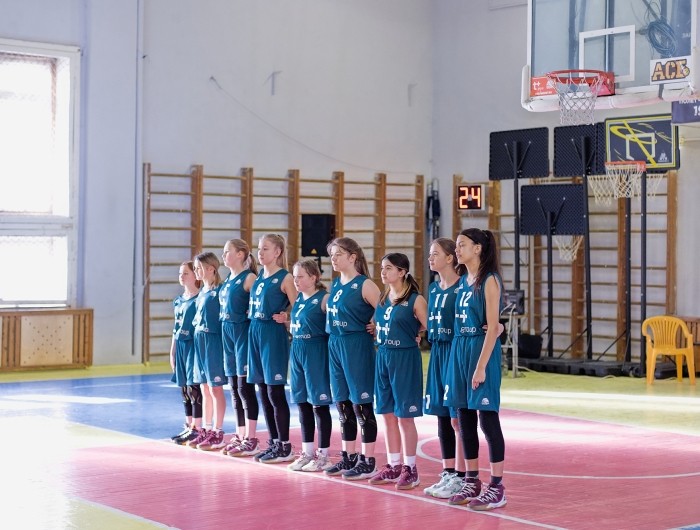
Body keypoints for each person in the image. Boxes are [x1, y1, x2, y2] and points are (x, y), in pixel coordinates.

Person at [445, 228, 508, 511]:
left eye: (462, 245)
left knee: (487, 420)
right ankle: (472, 480)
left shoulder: (489, 280)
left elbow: (493, 328)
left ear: (478, 248)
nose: (457, 249)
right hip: (460, 349)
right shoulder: (462, 281)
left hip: (481, 352)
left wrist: (481, 367)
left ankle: (497, 487)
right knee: (464, 419)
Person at [323, 237, 381, 481]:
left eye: (338, 254)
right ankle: (349, 455)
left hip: (356, 345)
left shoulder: (365, 284)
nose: (333, 259)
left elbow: (385, 309)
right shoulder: (337, 284)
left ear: (352, 257)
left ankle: (368, 461)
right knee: (342, 404)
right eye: (332, 255)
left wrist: (376, 324)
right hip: (335, 343)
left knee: (361, 404)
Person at [368, 253, 427, 490]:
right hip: (383, 356)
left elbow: (429, 325)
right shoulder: (383, 298)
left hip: (404, 358)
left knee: (405, 417)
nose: (383, 272)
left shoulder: (415, 299)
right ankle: (393, 465)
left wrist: (416, 332)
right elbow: (382, 323)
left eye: (389, 268)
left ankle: (410, 468)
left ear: (402, 272)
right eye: (382, 268)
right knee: (388, 414)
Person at [275, 259, 334, 472]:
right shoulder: (299, 299)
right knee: (302, 403)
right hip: (297, 350)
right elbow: (300, 325)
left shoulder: (324, 299)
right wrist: (286, 321)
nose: (296, 280)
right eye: (294, 276)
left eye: (300, 276)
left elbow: (335, 324)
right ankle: (307, 452)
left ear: (313, 277)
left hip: (315, 351)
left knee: (319, 404)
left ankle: (323, 455)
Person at [422, 238, 469, 498]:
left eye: (435, 254)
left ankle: (462, 476)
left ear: (450, 258)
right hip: (438, 352)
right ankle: (448, 472)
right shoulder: (433, 288)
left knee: (456, 417)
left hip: (455, 351)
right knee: (441, 414)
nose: (430, 258)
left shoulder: (463, 287)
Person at [246, 234, 297, 464]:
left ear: (277, 252)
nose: (260, 252)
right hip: (255, 331)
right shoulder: (259, 277)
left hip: (272, 334)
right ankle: (274, 442)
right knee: (263, 390)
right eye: (259, 248)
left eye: (265, 248)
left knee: (275, 391)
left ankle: (285, 445)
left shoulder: (285, 278)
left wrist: (287, 318)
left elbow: (300, 306)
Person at [218, 239, 260, 456]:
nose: (223, 255)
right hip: (227, 335)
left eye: (227, 251)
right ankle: (240, 434)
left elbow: (265, 301)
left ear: (241, 254)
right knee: (234, 388)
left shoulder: (249, 278)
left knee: (244, 388)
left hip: (242, 334)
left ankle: (252, 438)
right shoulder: (227, 279)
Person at [187, 252, 228, 451]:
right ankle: (206, 428)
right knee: (204, 388)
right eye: (195, 268)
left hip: (213, 340)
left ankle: (218, 432)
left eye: (199, 268)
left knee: (215, 388)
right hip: (199, 340)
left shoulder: (220, 291)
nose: (196, 271)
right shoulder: (202, 291)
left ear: (211, 268)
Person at [169, 261, 203, 445]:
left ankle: (197, 428)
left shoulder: (200, 298)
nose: (181, 276)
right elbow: (175, 327)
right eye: (180, 273)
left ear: (195, 276)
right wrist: (172, 350)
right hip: (181, 345)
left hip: (193, 346)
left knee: (193, 387)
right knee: (183, 387)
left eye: (185, 273)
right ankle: (189, 425)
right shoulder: (178, 300)